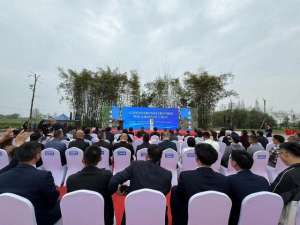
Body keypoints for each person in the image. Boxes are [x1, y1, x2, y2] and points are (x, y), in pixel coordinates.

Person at [109, 144, 172, 225]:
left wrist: (123, 190)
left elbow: (114, 181)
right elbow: (163, 193)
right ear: (161, 157)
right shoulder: (167, 174)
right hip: (156, 215)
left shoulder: (136, 165)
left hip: (133, 211)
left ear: (147, 155)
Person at [0, 142, 61, 225]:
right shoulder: (43, 176)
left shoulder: (2, 176)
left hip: (9, 217)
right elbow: (53, 200)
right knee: (63, 202)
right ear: (37, 156)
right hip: (39, 219)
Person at [171, 143, 229, 225]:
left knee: (174, 190)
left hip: (190, 217)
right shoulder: (224, 179)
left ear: (197, 159)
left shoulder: (186, 176)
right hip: (215, 216)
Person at [66, 146, 114, 225]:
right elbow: (112, 192)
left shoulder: (71, 179)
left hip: (79, 219)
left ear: (83, 159)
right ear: (100, 159)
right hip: (103, 219)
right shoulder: (107, 175)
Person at [227, 150, 269, 225]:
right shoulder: (263, 180)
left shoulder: (229, 180)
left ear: (234, 163)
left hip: (237, 220)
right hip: (260, 219)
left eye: (231, 158)